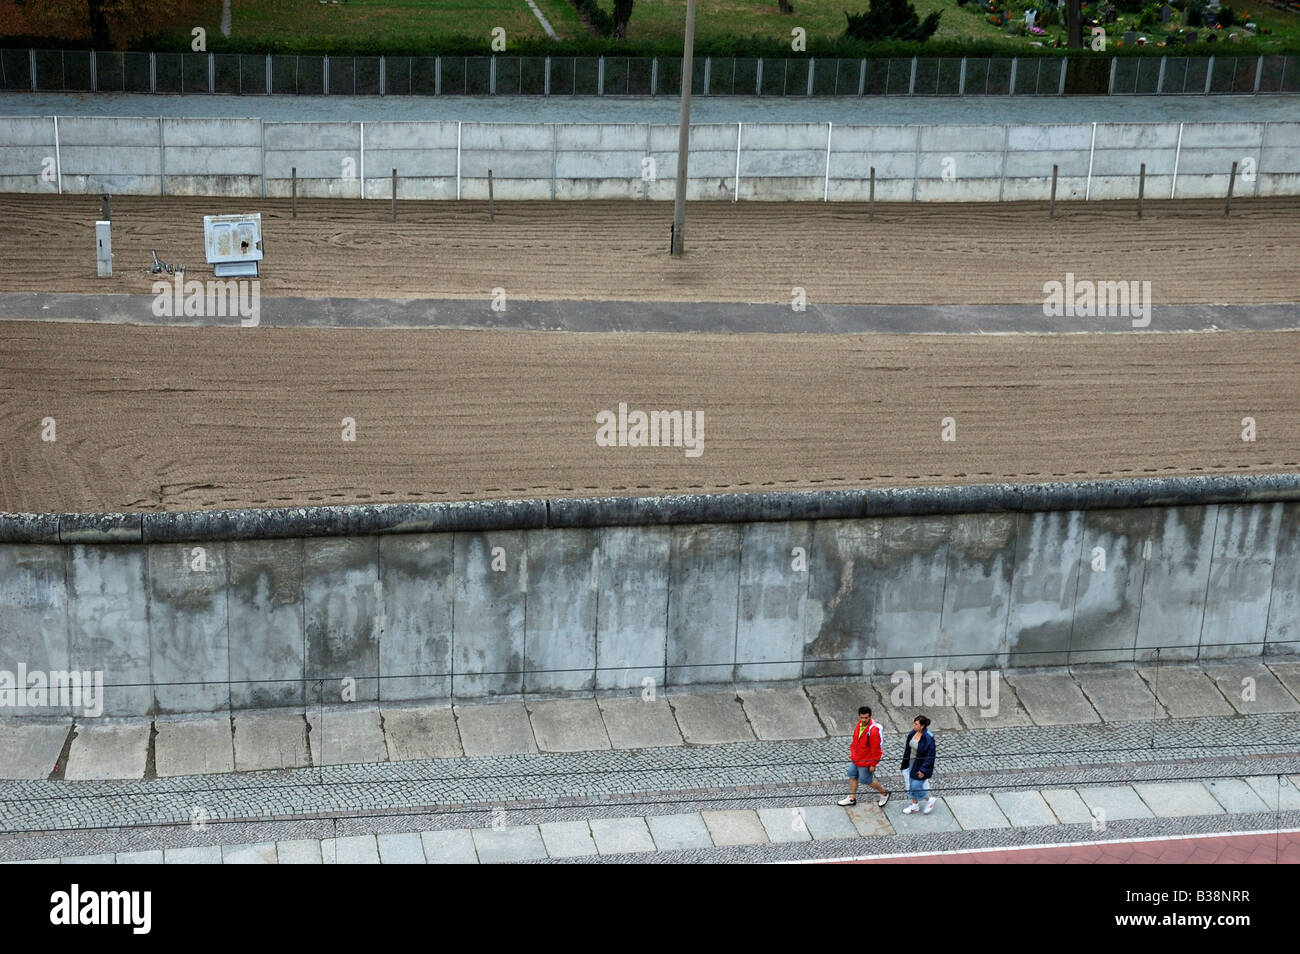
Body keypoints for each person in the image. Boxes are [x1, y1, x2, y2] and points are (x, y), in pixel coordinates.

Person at [837, 706, 889, 807]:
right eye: (862, 717)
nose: (863, 720)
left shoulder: (873, 730)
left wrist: (873, 764)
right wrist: (852, 751)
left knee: (866, 780)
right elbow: (855, 739)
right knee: (852, 775)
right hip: (856, 758)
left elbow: (876, 750)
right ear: (859, 717)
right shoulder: (859, 724)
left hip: (865, 761)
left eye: (866, 718)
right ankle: (852, 798)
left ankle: (884, 793)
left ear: (870, 717)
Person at [900, 715, 937, 814]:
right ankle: (914, 805)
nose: (914, 725)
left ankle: (929, 800)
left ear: (922, 726)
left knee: (915, 786)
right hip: (911, 763)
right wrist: (905, 763)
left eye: (916, 724)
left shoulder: (928, 738)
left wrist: (923, 770)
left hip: (920, 766)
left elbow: (930, 756)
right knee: (911, 785)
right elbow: (908, 749)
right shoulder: (912, 733)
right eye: (914, 723)